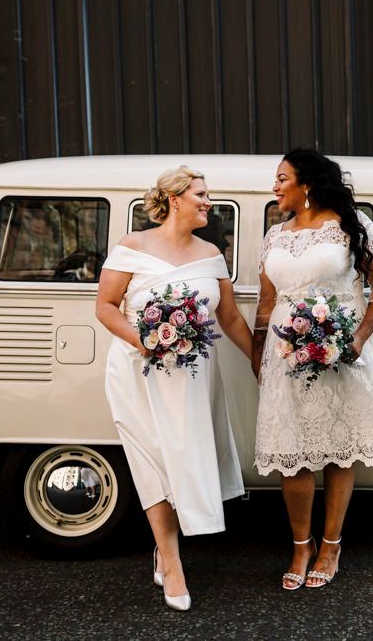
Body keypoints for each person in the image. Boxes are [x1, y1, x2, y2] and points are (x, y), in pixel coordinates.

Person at [252, 149, 373, 590]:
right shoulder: (274, 236)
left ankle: (331, 544)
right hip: (285, 356)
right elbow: (267, 303)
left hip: (342, 351)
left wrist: (358, 338)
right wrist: (257, 356)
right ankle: (300, 545)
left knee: (339, 446)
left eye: (282, 178)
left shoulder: (352, 227)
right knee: (292, 450)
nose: (275, 187)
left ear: (307, 183)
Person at [96, 165, 252, 611]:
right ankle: (173, 563)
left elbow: (231, 319)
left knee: (181, 463)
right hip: (138, 373)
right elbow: (106, 307)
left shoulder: (211, 253)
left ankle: (164, 551)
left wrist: (261, 361)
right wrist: (143, 340)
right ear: (175, 198)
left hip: (193, 378)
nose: (208, 202)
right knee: (153, 466)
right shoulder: (133, 245)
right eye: (201, 194)